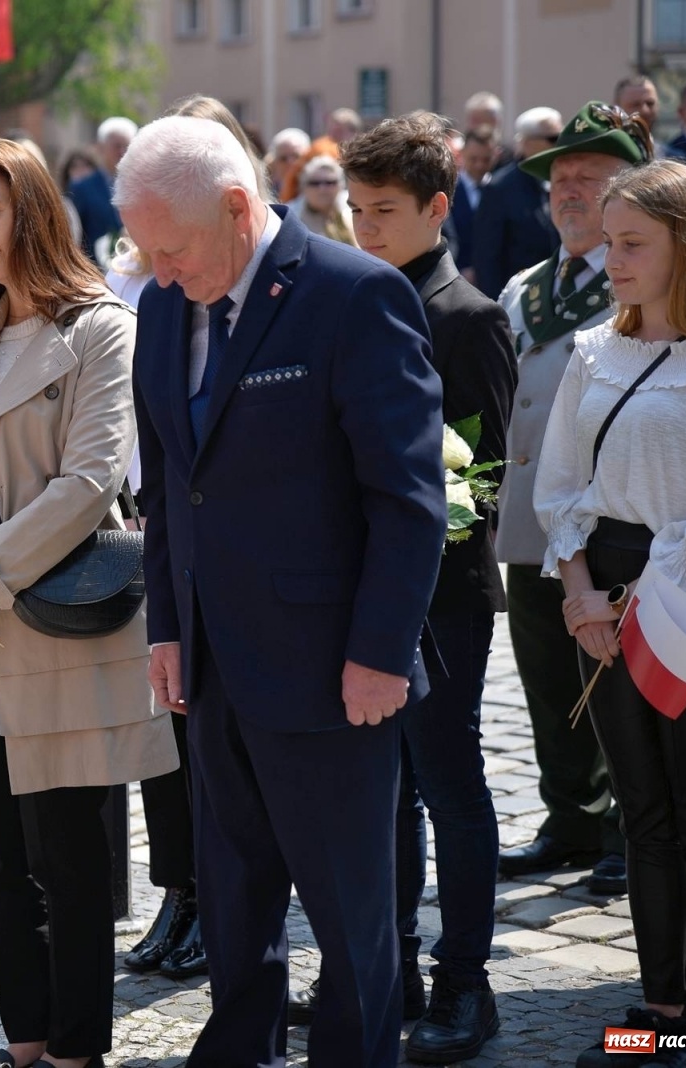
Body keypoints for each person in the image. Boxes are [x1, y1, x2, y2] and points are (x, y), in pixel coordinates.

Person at [118, 115, 446, 1068]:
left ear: (234, 206)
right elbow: (176, 484)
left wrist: (381, 652)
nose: (161, 270)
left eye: (170, 249)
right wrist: (168, 627)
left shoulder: (355, 297)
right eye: (145, 252)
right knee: (233, 897)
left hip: (332, 674)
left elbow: (408, 499)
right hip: (214, 666)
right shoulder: (167, 303)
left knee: (350, 919)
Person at [0, 136, 176, 1068]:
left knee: (69, 859)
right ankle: (24, 1046)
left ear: (34, 211)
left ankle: (75, 1053)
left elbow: (89, 484)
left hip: (49, 624)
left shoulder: (101, 328)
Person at [534, 160, 686, 1067]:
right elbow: (562, 484)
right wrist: (580, 593)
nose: (612, 256)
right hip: (608, 592)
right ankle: (658, 1009)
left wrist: (635, 598)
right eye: (611, 238)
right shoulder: (596, 351)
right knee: (643, 818)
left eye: (634, 243)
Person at [335, 112, 517, 1064]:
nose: (364, 228)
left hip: (440, 593)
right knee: (382, 787)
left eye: (385, 211)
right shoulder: (345, 297)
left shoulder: (468, 316)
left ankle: (467, 980)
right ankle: (389, 966)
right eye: (354, 208)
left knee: (449, 780)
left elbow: (481, 479)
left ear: (437, 209)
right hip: (357, 589)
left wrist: (407, 555)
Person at [494, 101, 651, 896]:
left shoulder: (641, 285)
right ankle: (569, 815)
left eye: (589, 178)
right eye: (559, 179)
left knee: (615, 681)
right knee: (546, 677)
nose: (569, 191)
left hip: (609, 519)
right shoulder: (524, 288)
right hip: (531, 520)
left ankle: (627, 826)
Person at [473, 107, 563, 298]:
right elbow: (486, 259)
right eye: (553, 139)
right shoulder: (499, 188)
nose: (559, 144)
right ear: (527, 143)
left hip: (553, 296)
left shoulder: (558, 181)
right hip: (515, 300)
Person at [68, 116, 136, 264]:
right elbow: (73, 235)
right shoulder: (82, 188)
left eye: (127, 146)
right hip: (95, 272)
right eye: (116, 146)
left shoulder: (142, 187)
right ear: (101, 148)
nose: (122, 151)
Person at [451, 126, 494, 279]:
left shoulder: (500, 191)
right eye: (473, 159)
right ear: (462, 154)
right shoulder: (449, 191)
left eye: (486, 159)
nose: (479, 165)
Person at [290, 155, 355, 245]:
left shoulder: (353, 209)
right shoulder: (293, 217)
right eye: (315, 183)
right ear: (303, 188)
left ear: (341, 185)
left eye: (330, 182)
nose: (322, 189)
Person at [263, 128, 310, 205]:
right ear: (275, 163)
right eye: (283, 159)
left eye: (296, 156)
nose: (290, 163)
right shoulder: (266, 195)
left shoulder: (318, 186)